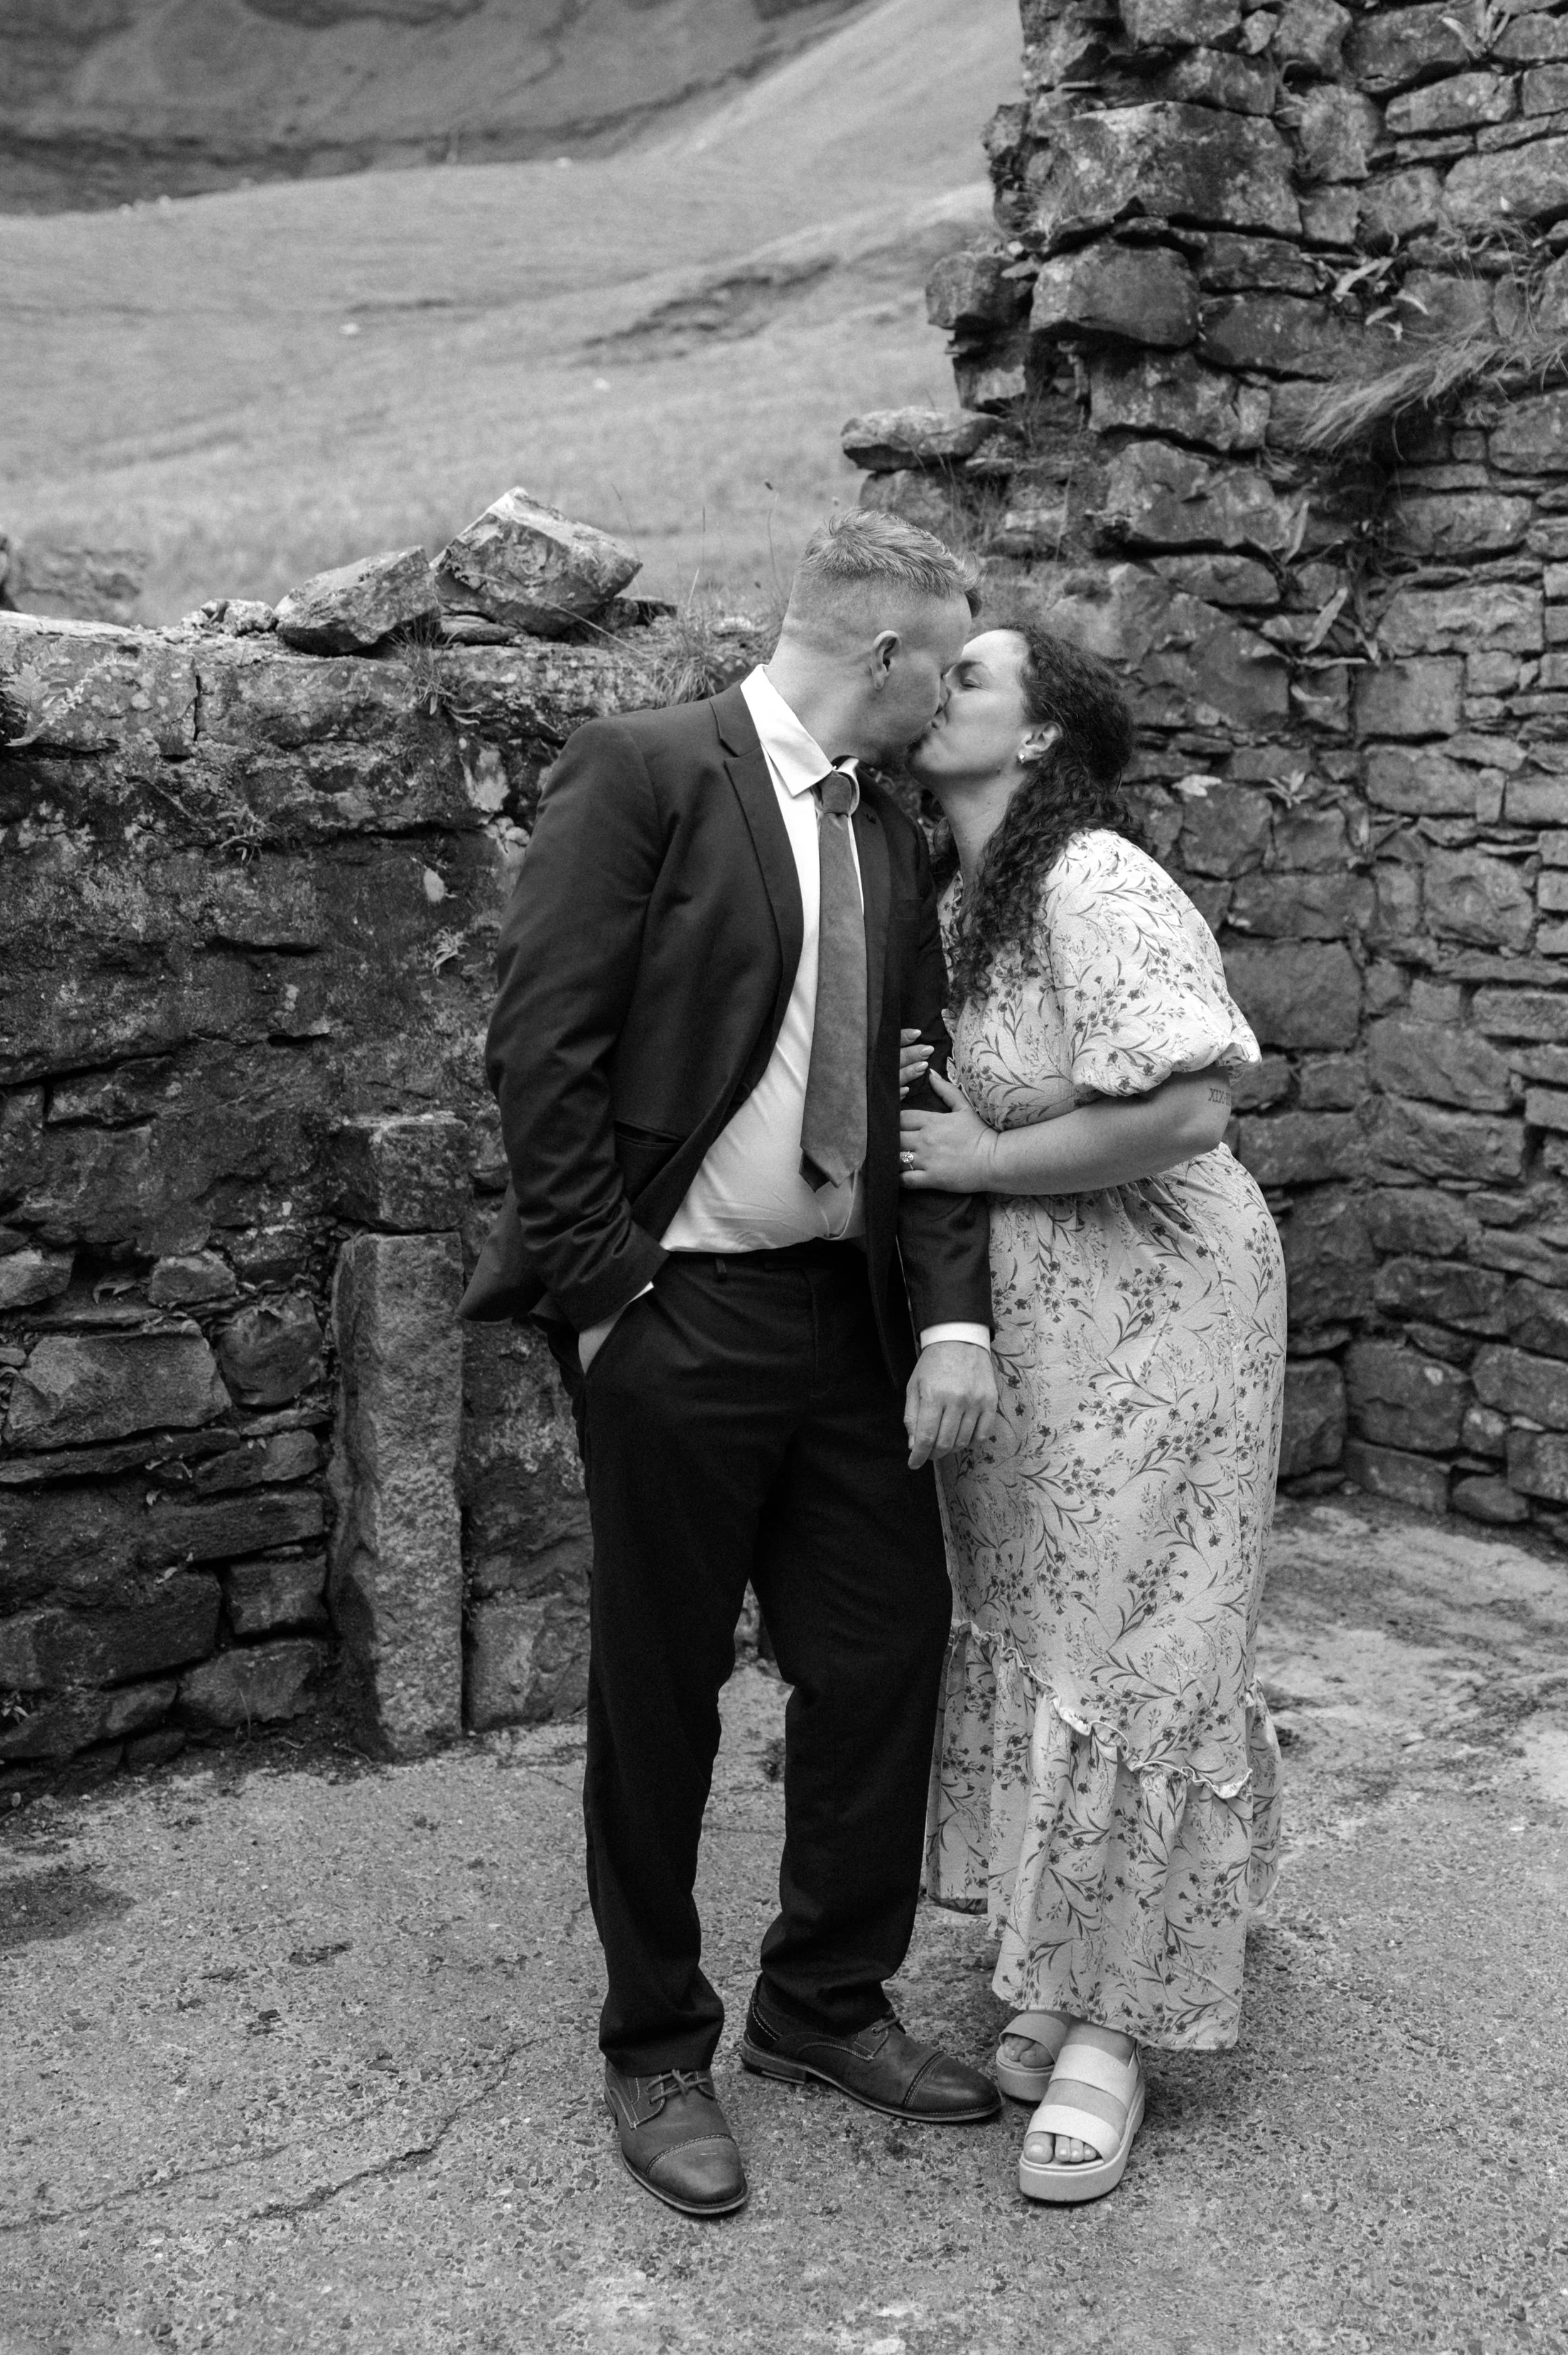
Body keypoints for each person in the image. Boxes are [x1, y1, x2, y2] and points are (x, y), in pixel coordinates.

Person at [462, 509, 1005, 2221]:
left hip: (838, 1324)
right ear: (881, 656)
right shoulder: (644, 768)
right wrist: (611, 1291)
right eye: (945, 657)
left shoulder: (894, 828)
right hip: (675, 1317)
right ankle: (653, 2043)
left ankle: (821, 2000)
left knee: (882, 1651)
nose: (947, 691)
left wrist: (945, 1311)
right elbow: (538, 1047)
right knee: (659, 1685)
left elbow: (910, 1092)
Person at [898, 604, 1285, 2206]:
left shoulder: (1091, 879)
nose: (935, 689)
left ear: (1041, 734)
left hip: (1168, 1302)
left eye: (970, 676)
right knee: (1052, 1632)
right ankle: (1055, 1975)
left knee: (1144, 1645)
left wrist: (981, 1162)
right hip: (1042, 1317)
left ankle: (1114, 2039)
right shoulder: (956, 896)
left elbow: (1191, 1101)